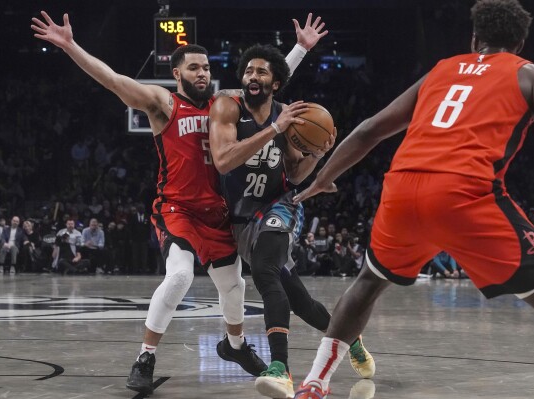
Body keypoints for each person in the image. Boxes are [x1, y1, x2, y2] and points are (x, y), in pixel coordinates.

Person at [31, 10, 329, 396]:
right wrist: (71, 46)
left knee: (234, 285)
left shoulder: (226, 105)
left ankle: (235, 347)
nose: (202, 73)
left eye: (206, 67)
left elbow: (267, 84)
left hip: (218, 213)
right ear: (177, 74)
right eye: (193, 68)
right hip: (177, 209)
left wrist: (300, 49)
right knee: (180, 276)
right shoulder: (163, 104)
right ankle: (145, 356)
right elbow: (113, 80)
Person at [292, 1, 534, 397]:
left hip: (402, 189)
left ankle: (314, 383)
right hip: (463, 192)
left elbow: (370, 130)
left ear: (474, 39)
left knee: (369, 281)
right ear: (520, 44)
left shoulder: (442, 69)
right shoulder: (532, 76)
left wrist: (323, 178)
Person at [209, 43, 375, 399]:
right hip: (239, 216)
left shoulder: (287, 114)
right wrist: (273, 129)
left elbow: (297, 175)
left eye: (262, 72)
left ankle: (280, 369)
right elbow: (223, 161)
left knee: (266, 271)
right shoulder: (227, 106)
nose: (253, 76)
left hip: (279, 205)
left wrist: (318, 152)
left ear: (275, 84)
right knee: (299, 300)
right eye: (249, 71)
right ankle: (351, 340)